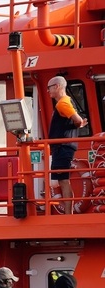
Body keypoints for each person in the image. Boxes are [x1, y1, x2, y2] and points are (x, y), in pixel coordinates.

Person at [48, 75, 88, 215]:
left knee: (63, 180)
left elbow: (77, 120)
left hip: (62, 147)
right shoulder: (68, 101)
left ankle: (68, 214)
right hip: (65, 147)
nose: (48, 91)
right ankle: (68, 212)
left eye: (49, 88)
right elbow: (78, 121)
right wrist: (80, 123)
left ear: (57, 86)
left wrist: (79, 123)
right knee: (62, 180)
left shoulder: (62, 103)